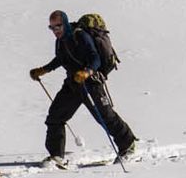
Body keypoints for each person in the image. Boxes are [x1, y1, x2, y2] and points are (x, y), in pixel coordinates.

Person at [29, 9, 139, 166]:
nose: (55, 30)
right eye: (52, 27)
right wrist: (43, 70)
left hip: (91, 83)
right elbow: (60, 59)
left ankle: (128, 146)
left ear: (65, 23)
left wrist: (86, 72)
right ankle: (56, 156)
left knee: (105, 116)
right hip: (73, 84)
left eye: (58, 26)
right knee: (55, 117)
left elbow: (95, 59)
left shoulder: (80, 36)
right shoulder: (60, 41)